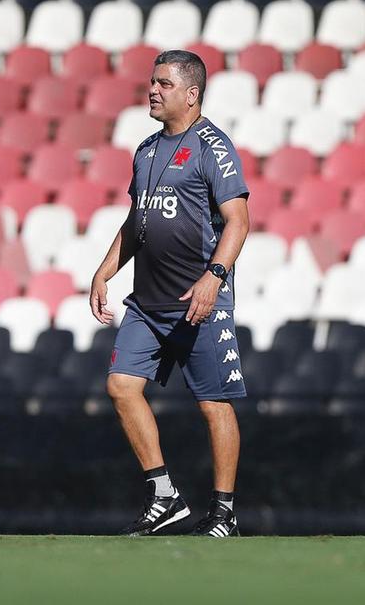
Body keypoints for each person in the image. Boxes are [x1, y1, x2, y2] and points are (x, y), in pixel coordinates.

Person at [89, 50, 251, 537]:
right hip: (148, 303)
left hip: (198, 304)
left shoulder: (213, 147)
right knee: (121, 386)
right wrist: (105, 271)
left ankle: (224, 511)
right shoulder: (145, 150)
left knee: (213, 405)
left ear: (191, 93)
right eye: (151, 82)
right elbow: (137, 222)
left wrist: (214, 276)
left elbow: (239, 222)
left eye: (163, 83)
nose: (152, 91)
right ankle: (165, 496)